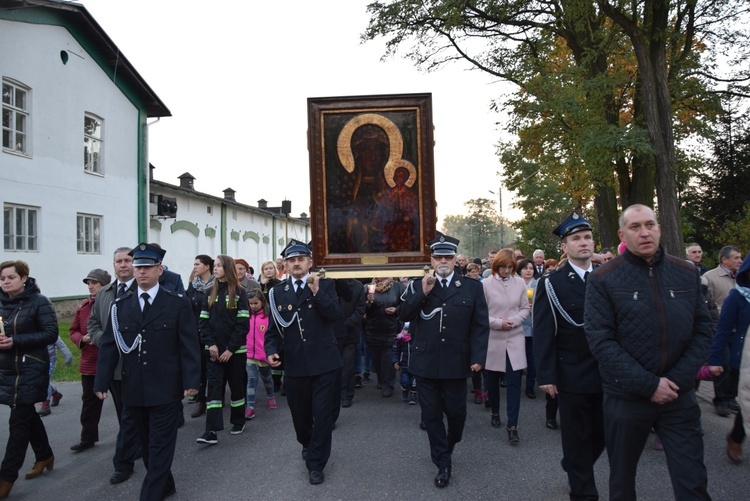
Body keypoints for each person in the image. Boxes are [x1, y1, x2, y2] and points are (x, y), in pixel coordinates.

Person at [584, 204, 712, 500]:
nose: (645, 232)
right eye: (635, 227)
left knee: (692, 480)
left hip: (678, 396)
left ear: (659, 228)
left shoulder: (686, 273)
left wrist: (676, 381)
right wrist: (649, 384)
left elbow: (703, 330)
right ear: (622, 234)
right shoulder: (604, 279)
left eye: (650, 225)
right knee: (622, 481)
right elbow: (600, 340)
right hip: (626, 398)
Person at [94, 243, 201, 501]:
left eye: (147, 267)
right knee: (147, 445)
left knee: (159, 445)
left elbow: (189, 345)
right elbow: (109, 346)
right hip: (133, 388)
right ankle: (166, 484)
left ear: (159, 269)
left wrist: (192, 380)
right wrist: (101, 382)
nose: (141, 271)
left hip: (165, 387)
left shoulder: (176, 303)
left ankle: (150, 494)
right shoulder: (121, 306)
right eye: (138, 266)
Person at [398, 232, 489, 488]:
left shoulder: (472, 286)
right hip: (425, 362)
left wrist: (478, 357)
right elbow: (403, 314)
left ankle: (449, 444)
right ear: (432, 259)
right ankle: (443, 462)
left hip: (456, 362)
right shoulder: (418, 285)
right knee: (431, 414)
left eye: (448, 256)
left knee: (457, 413)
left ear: (455, 259)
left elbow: (480, 325)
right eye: (438, 256)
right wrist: (422, 293)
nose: (443, 261)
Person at [533, 211, 605, 501]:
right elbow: (543, 332)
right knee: (576, 437)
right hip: (571, 372)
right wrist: (546, 375)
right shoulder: (552, 283)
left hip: (607, 371)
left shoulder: (604, 279)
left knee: (602, 434)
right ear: (564, 247)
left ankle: (574, 463)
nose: (584, 242)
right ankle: (584, 492)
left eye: (587, 237)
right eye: (576, 239)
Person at [265, 240, 342, 485]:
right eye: (291, 260)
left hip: (325, 361)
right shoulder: (277, 292)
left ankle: (316, 462)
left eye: (301, 259)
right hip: (296, 363)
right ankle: (307, 443)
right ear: (285, 265)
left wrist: (317, 292)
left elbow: (335, 315)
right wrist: (271, 350)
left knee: (322, 415)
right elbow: (273, 330)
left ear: (310, 262)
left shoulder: (326, 285)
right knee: (300, 415)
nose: (296, 264)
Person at [0, 260, 58, 499]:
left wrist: (16, 340)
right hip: (6, 369)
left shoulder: (39, 302)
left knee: (18, 421)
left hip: (32, 366)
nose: (6, 282)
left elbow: (50, 333)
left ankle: (6, 477)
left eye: (11, 277)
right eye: (2, 278)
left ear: (24, 278)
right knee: (26, 415)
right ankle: (44, 455)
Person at [88, 246, 140, 485]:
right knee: (124, 413)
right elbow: (94, 323)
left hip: (140, 364)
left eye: (127, 260)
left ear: (134, 264)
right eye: (118, 261)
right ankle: (133, 445)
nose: (123, 265)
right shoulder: (104, 293)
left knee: (132, 414)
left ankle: (123, 461)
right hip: (113, 365)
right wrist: (105, 341)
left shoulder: (144, 290)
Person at [197, 255, 250, 443]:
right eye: (215, 266)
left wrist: (230, 349)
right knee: (214, 390)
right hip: (213, 351)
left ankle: (238, 420)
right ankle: (211, 430)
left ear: (227, 268)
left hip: (234, 352)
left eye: (219, 266)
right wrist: (211, 344)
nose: (215, 269)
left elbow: (242, 324)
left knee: (236, 387)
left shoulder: (240, 292)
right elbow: (203, 322)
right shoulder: (209, 292)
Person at [483, 249, 530, 444]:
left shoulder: (519, 283)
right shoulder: (484, 285)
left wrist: (513, 320)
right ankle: (495, 411)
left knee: (514, 383)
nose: (506, 270)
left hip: (514, 337)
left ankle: (513, 426)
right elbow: (480, 314)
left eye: (510, 267)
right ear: (496, 266)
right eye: (503, 267)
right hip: (493, 337)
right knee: (492, 382)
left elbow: (525, 308)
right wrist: (497, 323)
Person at [709, 252, 750, 464]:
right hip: (745, 359)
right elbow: (723, 329)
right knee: (747, 407)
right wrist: (715, 359)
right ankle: (735, 438)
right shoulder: (738, 296)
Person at [69, 268, 111, 452]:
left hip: (113, 361)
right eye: (88, 283)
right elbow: (73, 330)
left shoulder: (114, 303)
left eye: (94, 282)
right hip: (91, 361)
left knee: (124, 404)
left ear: (105, 285)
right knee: (89, 402)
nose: (91, 286)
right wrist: (82, 339)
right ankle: (87, 438)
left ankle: (132, 440)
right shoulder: (83, 306)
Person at [703, 245, 743, 417]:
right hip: (721, 329)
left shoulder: (742, 278)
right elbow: (707, 304)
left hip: (739, 330)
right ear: (724, 260)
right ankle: (720, 400)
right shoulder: (709, 277)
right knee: (722, 364)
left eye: (740, 257)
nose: (740, 261)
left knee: (736, 365)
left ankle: (732, 397)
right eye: (736, 258)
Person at [363, 277, 405, 397]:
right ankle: (381, 380)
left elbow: (406, 304)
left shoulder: (397, 286)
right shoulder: (367, 287)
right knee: (376, 359)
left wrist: (396, 310)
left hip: (391, 328)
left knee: (388, 358)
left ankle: (388, 385)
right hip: (372, 329)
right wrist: (369, 302)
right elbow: (361, 308)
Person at [185, 255, 214, 419]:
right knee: (200, 367)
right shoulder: (193, 285)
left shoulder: (217, 284)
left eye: (197, 264)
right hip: (196, 331)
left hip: (213, 331)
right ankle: (200, 400)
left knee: (214, 368)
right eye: (194, 264)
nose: (194, 266)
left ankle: (216, 398)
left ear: (207, 266)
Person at [245, 289, 276, 420]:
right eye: (250, 304)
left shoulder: (268, 316)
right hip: (249, 354)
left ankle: (271, 396)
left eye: (255, 303)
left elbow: (271, 336)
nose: (253, 306)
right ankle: (250, 406)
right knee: (251, 379)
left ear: (262, 301)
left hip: (263, 354)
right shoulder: (246, 316)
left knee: (267, 378)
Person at [517, 258, 538, 399]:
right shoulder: (515, 284)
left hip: (533, 325)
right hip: (518, 326)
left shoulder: (539, 284)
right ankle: (515, 383)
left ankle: (530, 386)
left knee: (532, 359)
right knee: (518, 357)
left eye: (531, 268)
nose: (529, 271)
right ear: (520, 270)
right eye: (526, 268)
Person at [37, 336, 72, 416]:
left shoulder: (52, 333)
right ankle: (56, 394)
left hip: (50, 360)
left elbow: (62, 346)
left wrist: (68, 357)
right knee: (42, 381)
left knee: (45, 381)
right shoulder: (34, 331)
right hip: (38, 361)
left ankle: (45, 405)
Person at [393, 323, 417, 404]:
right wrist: (395, 361)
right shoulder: (400, 340)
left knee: (414, 382)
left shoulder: (416, 340)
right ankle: (405, 390)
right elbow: (396, 352)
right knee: (404, 381)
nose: (407, 332)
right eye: (406, 330)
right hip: (404, 366)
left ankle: (413, 395)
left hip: (415, 367)